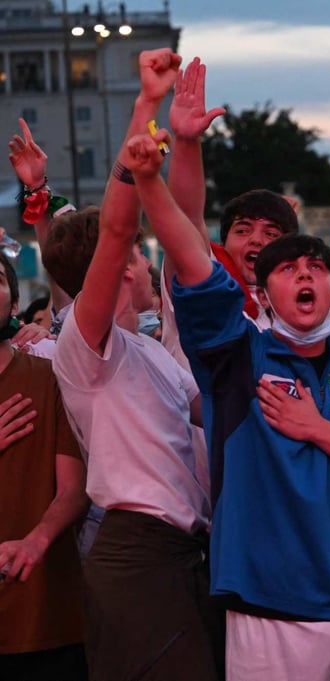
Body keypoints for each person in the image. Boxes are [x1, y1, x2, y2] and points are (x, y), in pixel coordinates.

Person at [121, 115, 330, 680]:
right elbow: (192, 256)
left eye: (316, 267)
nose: (305, 276)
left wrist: (315, 427)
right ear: (263, 290)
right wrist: (150, 181)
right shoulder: (237, 358)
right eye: (288, 269)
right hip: (271, 609)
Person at [43, 48, 221, 681]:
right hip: (138, 552)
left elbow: (192, 231)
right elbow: (118, 230)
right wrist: (144, 109)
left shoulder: (146, 346)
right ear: (118, 269)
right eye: (141, 254)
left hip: (184, 549)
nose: (151, 260)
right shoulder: (82, 350)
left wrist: (183, 142)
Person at [0, 252, 89, 681]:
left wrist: (36, 541)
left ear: (13, 304)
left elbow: (73, 488)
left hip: (45, 617)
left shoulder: (50, 377)